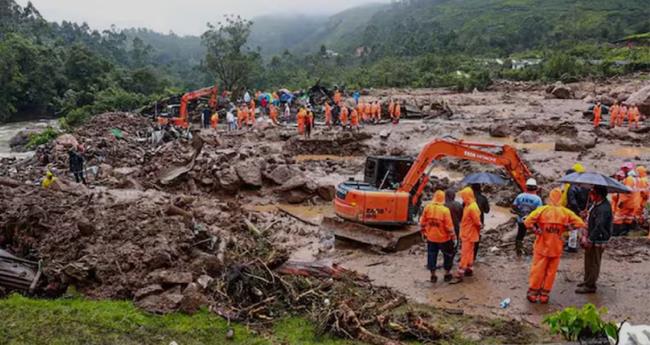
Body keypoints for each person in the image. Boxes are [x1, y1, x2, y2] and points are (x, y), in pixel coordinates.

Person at [524, 188, 586, 304]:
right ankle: (544, 295)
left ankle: (533, 293)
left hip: (542, 246)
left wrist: (536, 230)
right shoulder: (565, 212)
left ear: (550, 197)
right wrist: (567, 228)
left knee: (538, 270)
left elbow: (527, 221)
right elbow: (580, 223)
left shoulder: (542, 210)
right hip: (556, 247)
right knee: (551, 272)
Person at [576, 186, 612, 294]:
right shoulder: (596, 205)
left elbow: (599, 225)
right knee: (588, 259)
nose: (590, 195)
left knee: (594, 261)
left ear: (598, 195)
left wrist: (590, 239)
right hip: (592, 235)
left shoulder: (604, 208)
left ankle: (591, 285)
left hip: (598, 238)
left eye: (592, 193)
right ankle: (587, 280)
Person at [420, 190, 456, 283]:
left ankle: (433, 275)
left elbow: (422, 222)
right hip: (444, 238)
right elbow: (449, 226)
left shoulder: (427, 208)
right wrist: (454, 237)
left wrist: (423, 232)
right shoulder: (445, 210)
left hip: (431, 237)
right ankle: (447, 273)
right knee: (447, 255)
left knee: (431, 255)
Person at [451, 187, 482, 283]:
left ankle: (460, 272)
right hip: (469, 233)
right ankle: (469, 268)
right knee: (470, 252)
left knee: (465, 253)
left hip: (468, 234)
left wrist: (480, 226)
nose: (462, 198)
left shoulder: (472, 207)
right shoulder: (470, 205)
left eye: (463, 196)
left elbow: (477, 222)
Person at [513, 178, 543, 256]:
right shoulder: (537, 199)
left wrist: (521, 213)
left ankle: (518, 251)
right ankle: (538, 249)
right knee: (538, 234)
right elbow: (539, 212)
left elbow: (514, 206)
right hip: (533, 221)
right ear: (535, 187)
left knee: (520, 235)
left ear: (526, 187)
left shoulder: (520, 196)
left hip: (521, 220)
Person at [470, 184, 490, 260]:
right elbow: (487, 211)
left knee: (468, 238)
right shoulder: (483, 198)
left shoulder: (468, 198)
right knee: (476, 238)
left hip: (468, 222)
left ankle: (467, 255)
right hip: (479, 221)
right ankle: (474, 256)